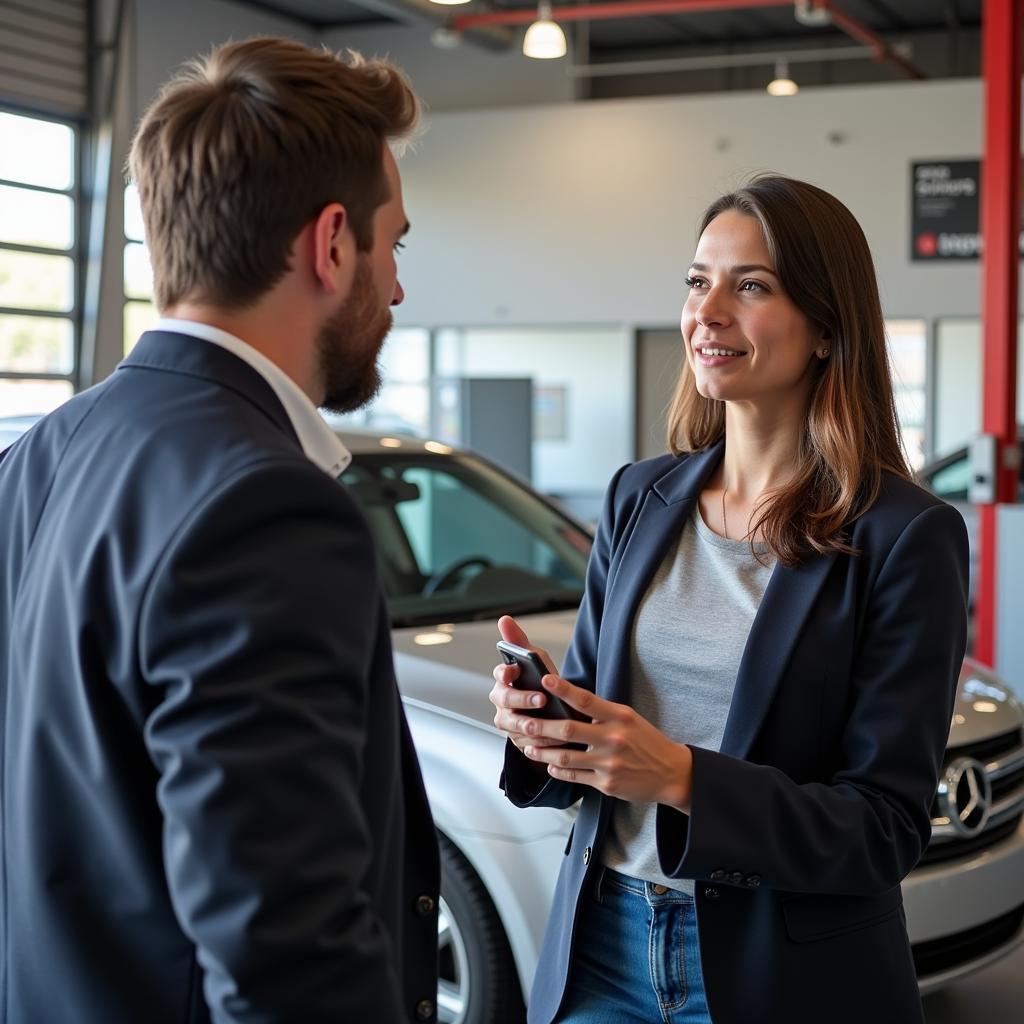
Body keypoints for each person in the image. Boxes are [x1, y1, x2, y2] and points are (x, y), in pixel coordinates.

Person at [0, 38, 439, 1023]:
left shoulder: (41, 455)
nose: (399, 288)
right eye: (393, 244)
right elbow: (287, 947)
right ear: (331, 244)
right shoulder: (265, 505)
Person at [491, 175, 969, 1024]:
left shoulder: (905, 534)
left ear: (826, 326)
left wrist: (682, 779)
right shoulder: (639, 497)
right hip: (601, 944)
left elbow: (885, 830)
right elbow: (604, 757)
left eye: (750, 286)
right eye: (697, 281)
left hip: (778, 977)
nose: (707, 312)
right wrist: (549, 731)